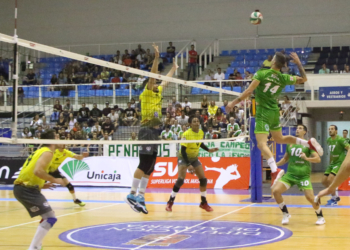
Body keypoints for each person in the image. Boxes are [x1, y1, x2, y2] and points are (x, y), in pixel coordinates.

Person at [226, 52, 323, 188]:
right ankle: (307, 143)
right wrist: (299, 64)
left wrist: (233, 103)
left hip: (263, 112)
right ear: (282, 65)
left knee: (261, 144)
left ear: (272, 62)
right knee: (280, 139)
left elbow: (248, 92)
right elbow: (304, 79)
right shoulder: (283, 77)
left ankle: (274, 169)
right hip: (274, 112)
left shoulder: (261, 73)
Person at [125, 44, 178, 214]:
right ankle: (132, 194)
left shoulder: (158, 91)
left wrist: (174, 68)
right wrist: (156, 58)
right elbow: (153, 77)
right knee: (144, 163)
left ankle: (141, 196)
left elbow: (166, 80)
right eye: (154, 82)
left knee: (151, 167)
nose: (156, 83)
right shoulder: (147, 92)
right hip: (146, 130)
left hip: (156, 132)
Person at [13, 130, 65, 250]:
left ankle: (36, 246)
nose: (59, 139)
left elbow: (30, 172)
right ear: (51, 140)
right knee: (50, 218)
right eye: (57, 136)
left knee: (48, 217)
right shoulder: (47, 153)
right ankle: (34, 247)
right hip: (26, 189)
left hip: (27, 188)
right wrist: (56, 180)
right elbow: (38, 171)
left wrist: (40, 185)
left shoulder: (40, 151)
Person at [272, 125, 324, 225]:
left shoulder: (308, 144)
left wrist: (306, 158)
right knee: (276, 191)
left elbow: (318, 159)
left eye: (300, 128)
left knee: (310, 198)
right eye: (297, 128)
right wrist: (275, 164)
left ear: (305, 132)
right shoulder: (290, 143)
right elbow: (285, 159)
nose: (297, 130)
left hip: (303, 175)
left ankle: (320, 217)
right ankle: (285, 214)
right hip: (290, 174)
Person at [165, 116, 218, 212]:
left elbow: (200, 143)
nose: (197, 123)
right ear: (190, 124)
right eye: (194, 121)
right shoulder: (186, 134)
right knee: (180, 180)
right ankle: (170, 202)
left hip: (194, 158)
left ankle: (203, 202)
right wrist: (188, 164)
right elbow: (183, 151)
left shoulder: (201, 132)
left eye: (198, 121)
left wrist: (208, 150)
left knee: (203, 180)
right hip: (183, 158)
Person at [48, 135, 89, 207]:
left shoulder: (66, 152)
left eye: (64, 143)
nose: (63, 145)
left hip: (55, 171)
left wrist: (82, 155)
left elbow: (78, 157)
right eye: (61, 143)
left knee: (70, 186)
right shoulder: (54, 151)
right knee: (37, 185)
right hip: (46, 170)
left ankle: (75, 199)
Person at [322, 125, 349, 206]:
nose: (330, 130)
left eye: (332, 129)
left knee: (330, 179)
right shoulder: (328, 140)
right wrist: (330, 162)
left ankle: (334, 199)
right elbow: (331, 153)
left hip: (339, 162)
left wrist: (347, 160)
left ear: (336, 131)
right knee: (324, 181)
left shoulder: (341, 139)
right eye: (329, 129)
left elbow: (349, 148)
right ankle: (335, 196)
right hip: (332, 163)